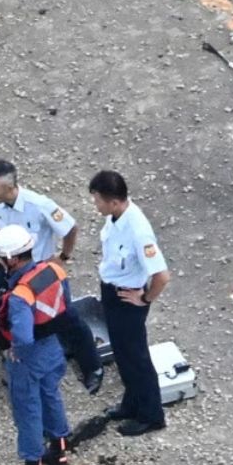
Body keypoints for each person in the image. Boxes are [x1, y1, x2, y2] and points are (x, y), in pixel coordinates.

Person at [0, 160, 104, 393]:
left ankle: (93, 368)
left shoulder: (39, 205)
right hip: (9, 268)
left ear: (10, 188)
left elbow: (70, 228)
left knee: (66, 319)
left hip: (40, 272)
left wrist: (63, 257)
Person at [0, 227, 73, 465]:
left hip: (29, 357)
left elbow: (22, 336)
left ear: (12, 259)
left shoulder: (20, 295)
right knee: (51, 396)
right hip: (53, 348)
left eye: (1, 258)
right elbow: (66, 305)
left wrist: (14, 350)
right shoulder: (54, 270)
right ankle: (58, 453)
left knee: (28, 409)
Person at [89, 170, 170, 436]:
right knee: (123, 354)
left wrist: (144, 298)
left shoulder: (138, 230)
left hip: (128, 298)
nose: (95, 204)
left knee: (136, 357)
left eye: (98, 200)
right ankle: (131, 403)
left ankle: (151, 414)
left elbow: (162, 275)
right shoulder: (115, 217)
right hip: (112, 292)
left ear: (113, 201)